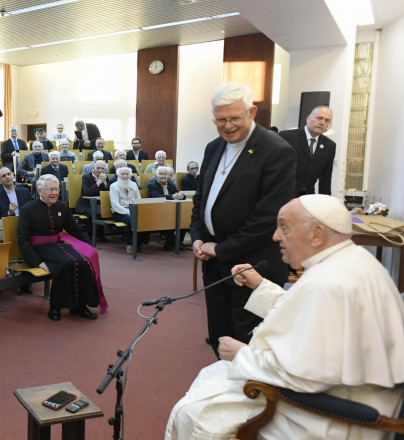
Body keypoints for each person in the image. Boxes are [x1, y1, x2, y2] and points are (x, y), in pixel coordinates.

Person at [166, 195, 404, 440]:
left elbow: (307, 376)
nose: (275, 236)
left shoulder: (329, 282)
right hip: (347, 394)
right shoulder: (349, 261)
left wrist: (241, 355)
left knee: (191, 413)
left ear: (317, 234)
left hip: (330, 416)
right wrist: (261, 286)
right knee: (211, 377)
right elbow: (308, 313)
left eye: (284, 228)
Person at [190, 83, 295, 357]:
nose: (227, 126)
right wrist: (198, 235)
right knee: (220, 339)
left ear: (252, 112)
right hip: (214, 264)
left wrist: (221, 249)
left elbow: (267, 218)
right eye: (220, 119)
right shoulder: (214, 147)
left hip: (254, 265)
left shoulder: (276, 151)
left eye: (234, 118)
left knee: (250, 345)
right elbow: (201, 199)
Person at [17, 174, 106, 321]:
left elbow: (75, 229)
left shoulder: (62, 207)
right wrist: (38, 262)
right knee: (65, 263)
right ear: (40, 191)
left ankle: (80, 306)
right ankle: (55, 307)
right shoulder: (28, 209)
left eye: (56, 189)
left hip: (58, 245)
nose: (54, 193)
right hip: (40, 248)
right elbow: (23, 240)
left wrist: (90, 246)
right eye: (50, 189)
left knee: (83, 261)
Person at [279, 106, 336, 196]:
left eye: (327, 120)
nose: (322, 122)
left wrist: (325, 203)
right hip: (283, 195)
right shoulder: (286, 137)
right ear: (308, 118)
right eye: (319, 118)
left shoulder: (329, 145)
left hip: (307, 198)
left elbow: (326, 178)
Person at [109, 167, 148, 254]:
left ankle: (141, 243)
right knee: (132, 219)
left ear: (130, 175)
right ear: (118, 175)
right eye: (122, 174)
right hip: (119, 212)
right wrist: (130, 212)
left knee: (146, 218)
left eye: (127, 174)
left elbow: (139, 199)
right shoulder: (113, 186)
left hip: (133, 209)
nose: (125, 176)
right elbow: (115, 205)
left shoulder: (134, 184)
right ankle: (130, 243)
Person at [148, 166, 186, 251]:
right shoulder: (152, 185)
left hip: (170, 210)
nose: (163, 176)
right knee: (171, 220)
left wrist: (181, 195)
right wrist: (172, 196)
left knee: (184, 221)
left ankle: (176, 242)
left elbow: (177, 192)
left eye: (165, 174)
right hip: (156, 210)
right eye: (161, 174)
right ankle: (168, 244)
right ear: (156, 175)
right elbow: (156, 196)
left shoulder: (171, 184)